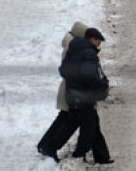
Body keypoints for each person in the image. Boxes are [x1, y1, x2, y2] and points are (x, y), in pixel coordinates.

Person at [37, 21, 90, 163]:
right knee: (69, 121)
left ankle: (44, 144)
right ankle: (50, 146)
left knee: (63, 118)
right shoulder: (73, 48)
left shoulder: (71, 46)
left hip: (68, 89)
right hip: (71, 91)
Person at [60, 28, 113, 165]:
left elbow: (64, 70)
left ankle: (102, 157)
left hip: (74, 94)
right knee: (89, 127)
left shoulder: (75, 49)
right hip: (83, 97)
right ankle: (79, 155)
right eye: (98, 41)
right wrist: (102, 85)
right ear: (92, 39)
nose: (99, 45)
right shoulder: (88, 53)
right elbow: (89, 76)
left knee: (92, 124)